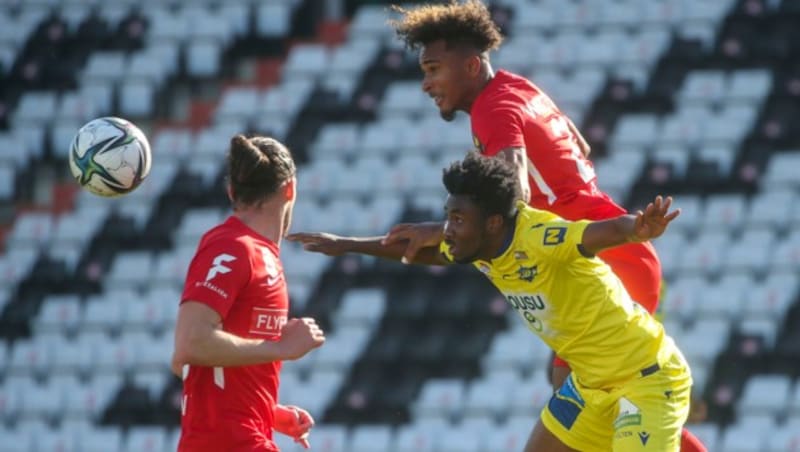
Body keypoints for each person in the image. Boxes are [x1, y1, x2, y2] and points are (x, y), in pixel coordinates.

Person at [385, 5, 707, 448]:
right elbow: (579, 143)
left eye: (434, 69)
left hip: (604, 252)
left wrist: (443, 229)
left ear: (471, 65)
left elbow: (509, 194)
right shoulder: (517, 89)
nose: (426, 83)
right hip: (614, 247)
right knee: (595, 394)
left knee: (587, 391)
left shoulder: (491, 112)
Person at [289, 152, 691, 451]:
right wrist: (348, 245)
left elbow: (593, 235)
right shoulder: (481, 247)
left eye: (458, 220)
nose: (447, 230)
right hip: (590, 384)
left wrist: (636, 229)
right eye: (448, 217)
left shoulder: (537, 236)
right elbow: (424, 253)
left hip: (646, 379)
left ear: (494, 222)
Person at [172, 134, 326, 451]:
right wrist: (281, 347)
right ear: (290, 189)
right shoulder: (232, 247)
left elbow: (193, 365)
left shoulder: (261, 254)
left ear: (232, 192)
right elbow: (190, 345)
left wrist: (269, 413)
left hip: (242, 437)